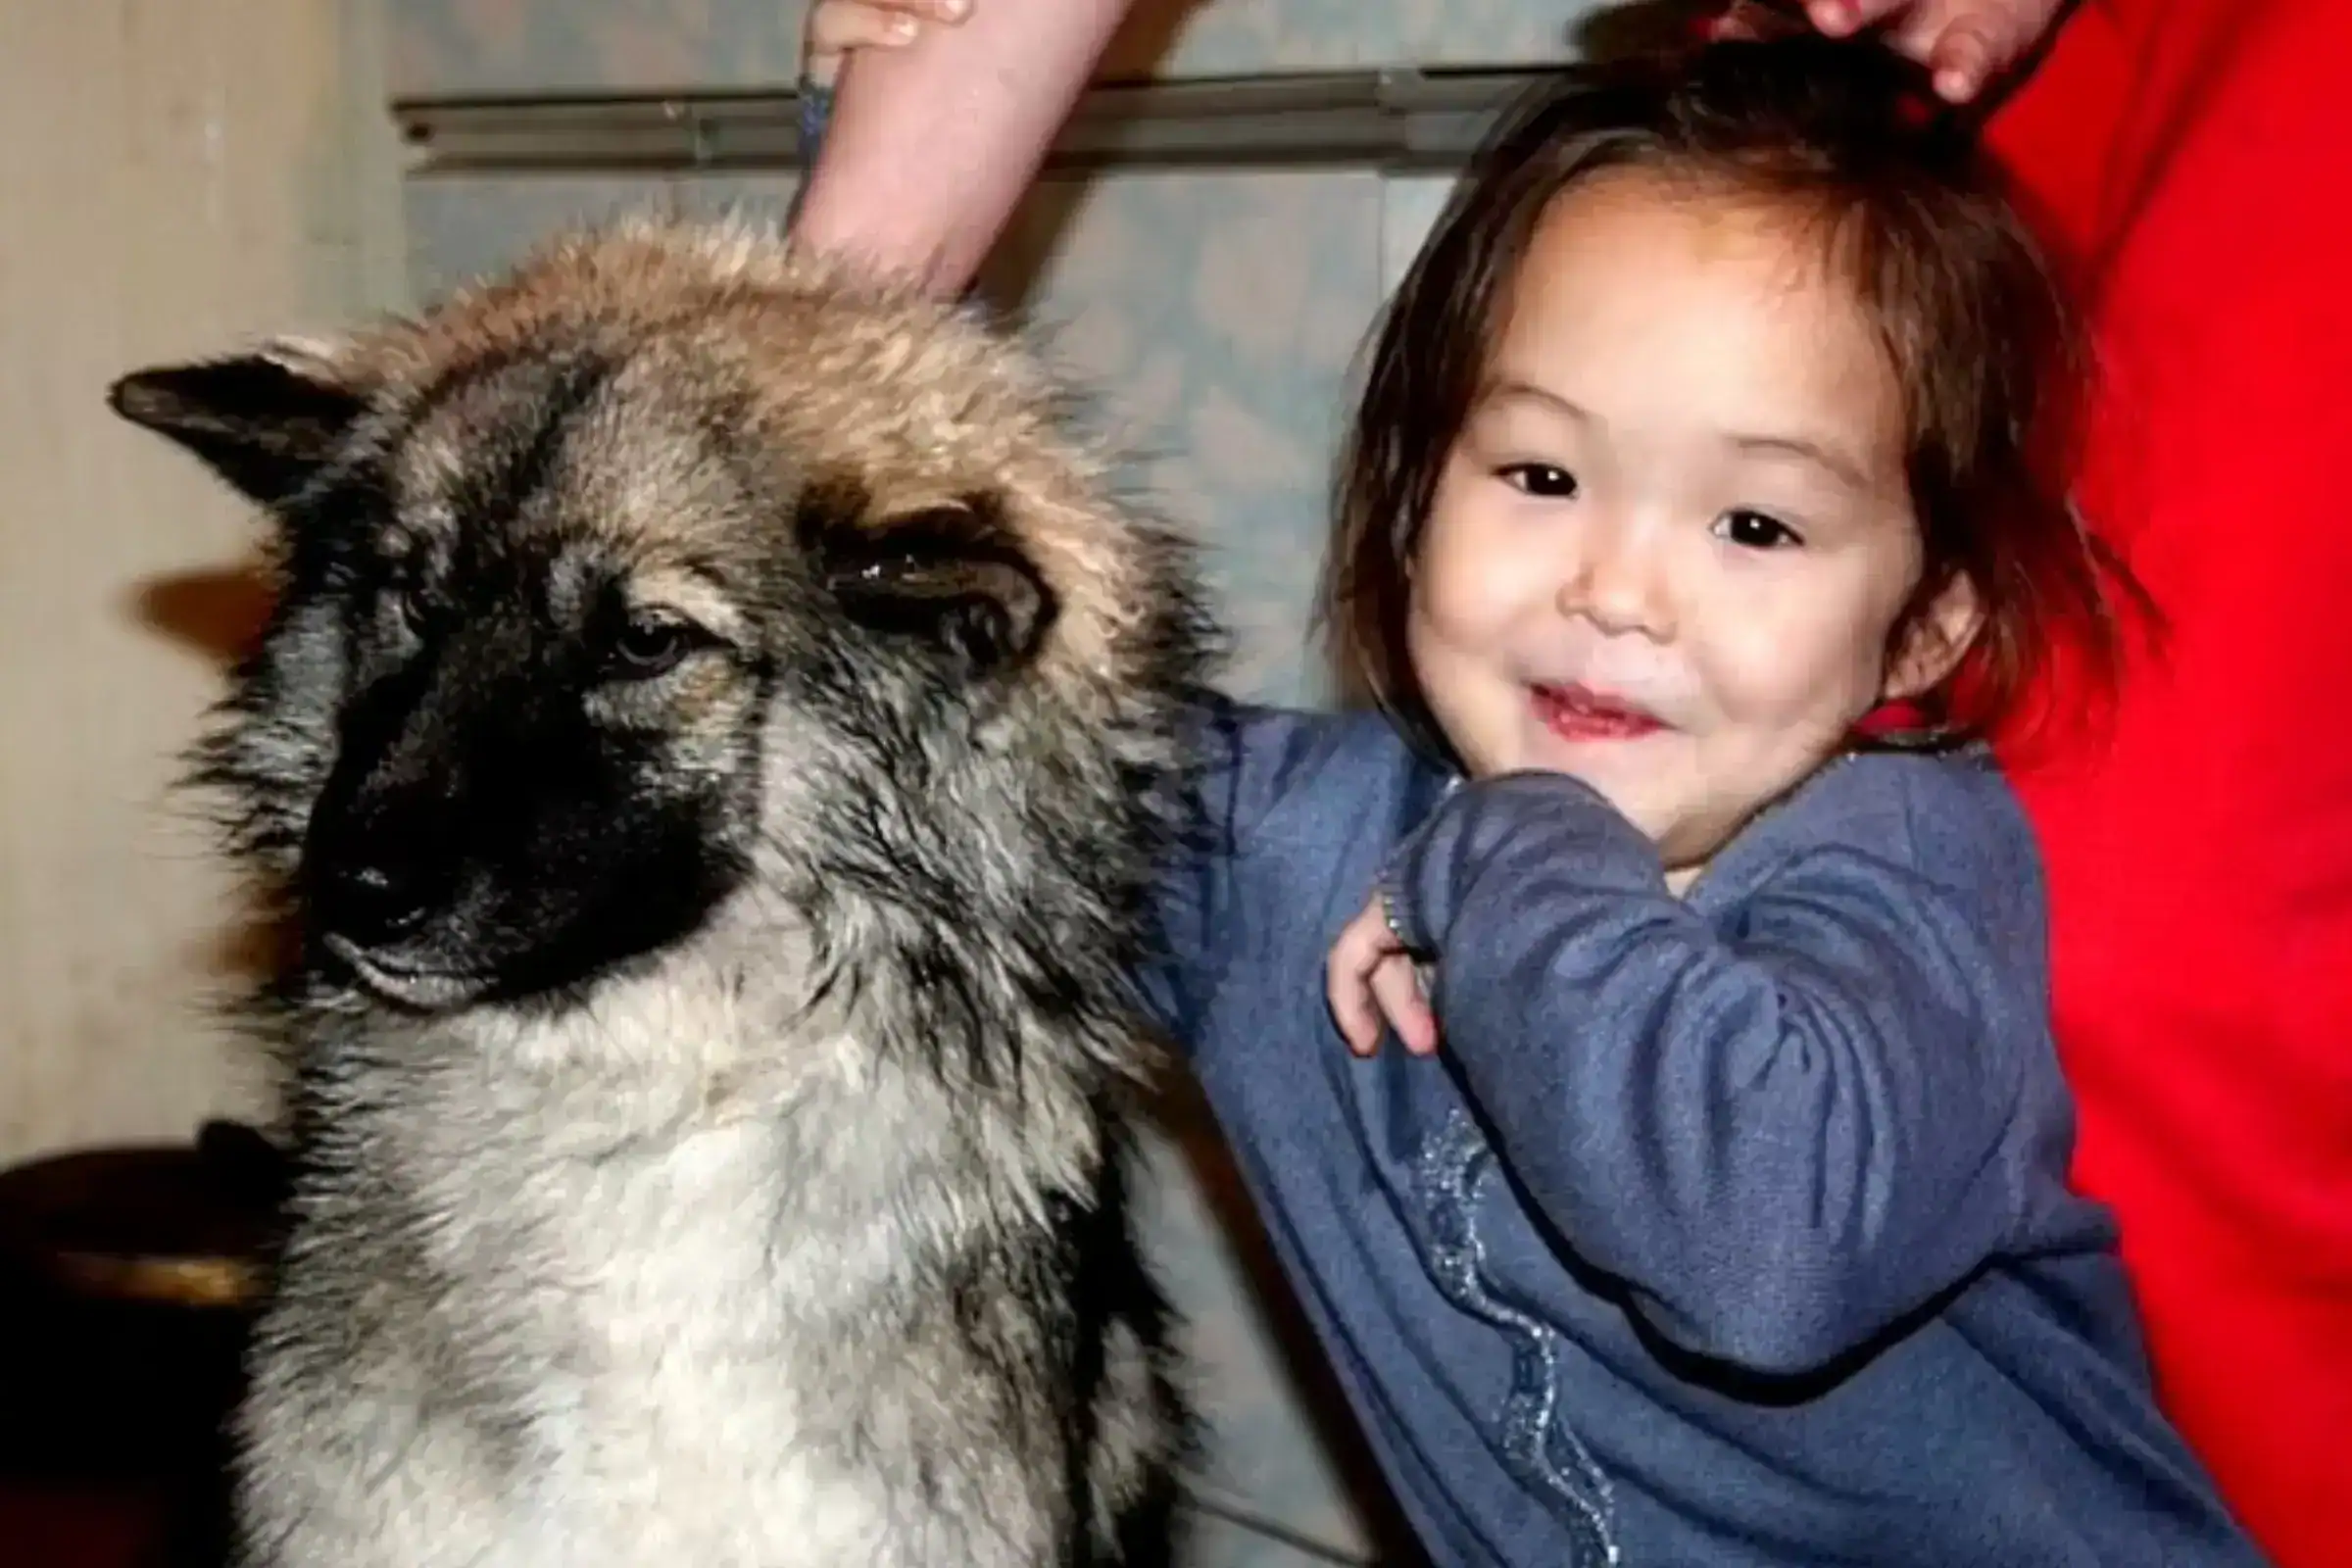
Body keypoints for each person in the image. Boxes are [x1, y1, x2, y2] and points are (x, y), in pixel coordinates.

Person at [793, 5, 2352, 1566]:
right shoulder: (1296, 851)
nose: (1617, 589)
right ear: (1418, 492)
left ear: (1926, 621)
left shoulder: (1911, 874)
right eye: (1541, 476)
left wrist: (1512, 851)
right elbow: (958, 714)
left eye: (1755, 527)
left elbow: (1764, 1252)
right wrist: (849, 229)